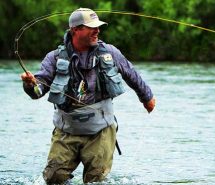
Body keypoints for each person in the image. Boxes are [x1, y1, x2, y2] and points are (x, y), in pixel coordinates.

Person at [20, 8, 155, 184]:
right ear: (75, 30)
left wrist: (147, 98)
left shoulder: (110, 53)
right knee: (53, 179)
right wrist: (29, 85)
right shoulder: (53, 58)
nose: (97, 30)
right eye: (91, 27)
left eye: (98, 27)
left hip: (100, 132)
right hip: (66, 131)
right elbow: (37, 92)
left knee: (96, 181)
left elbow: (132, 75)